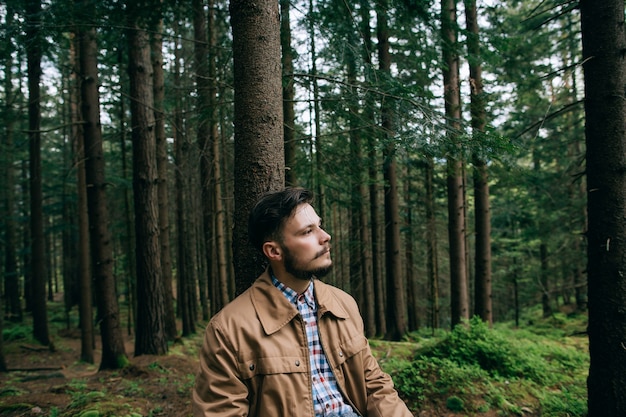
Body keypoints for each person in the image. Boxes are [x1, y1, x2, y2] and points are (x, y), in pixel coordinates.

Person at [192, 187, 413, 417]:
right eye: (308, 231)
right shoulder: (228, 330)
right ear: (274, 251)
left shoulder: (343, 304)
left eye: (319, 225)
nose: (325, 236)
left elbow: (375, 386)